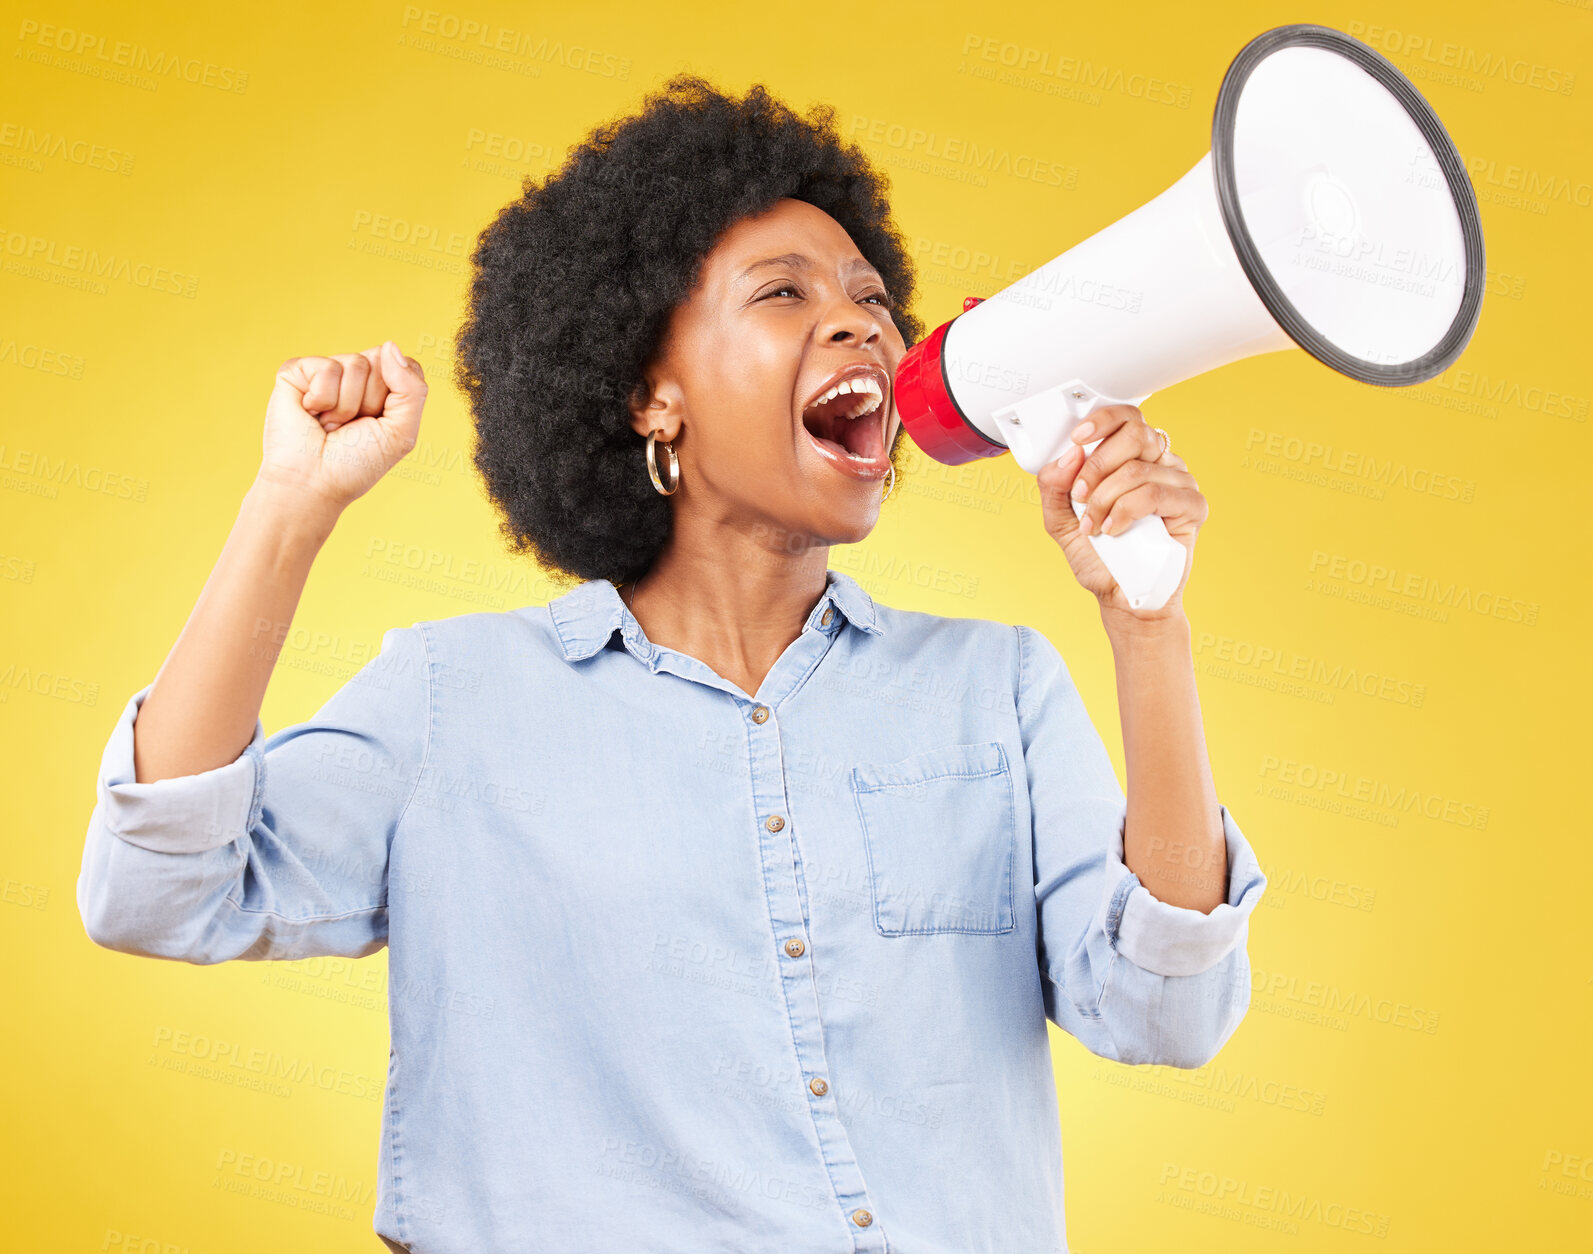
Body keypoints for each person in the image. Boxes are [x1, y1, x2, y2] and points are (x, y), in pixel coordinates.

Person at [77, 74, 1267, 1253]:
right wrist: (291, 504)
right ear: (654, 396)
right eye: (782, 293)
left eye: (868, 296)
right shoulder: (456, 700)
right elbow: (159, 889)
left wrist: (1146, 626)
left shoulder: (995, 690)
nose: (859, 322)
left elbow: (1168, 1010)